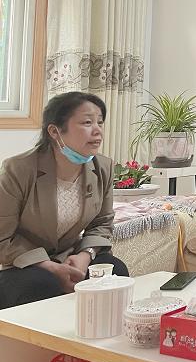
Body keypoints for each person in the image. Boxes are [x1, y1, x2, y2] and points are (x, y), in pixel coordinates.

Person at [0, 91, 129, 309]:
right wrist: (50, 266)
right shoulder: (18, 169)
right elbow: (3, 238)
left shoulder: (103, 167)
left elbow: (102, 223)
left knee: (115, 271)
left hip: (70, 256)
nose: (97, 130)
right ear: (54, 131)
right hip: (21, 263)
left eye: (100, 122)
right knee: (43, 284)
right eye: (87, 122)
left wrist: (85, 255)